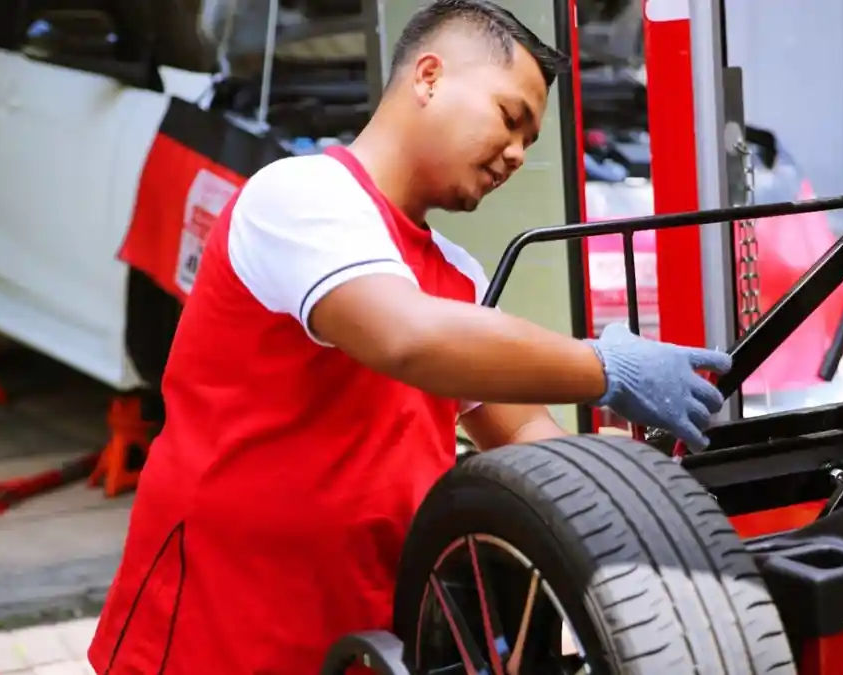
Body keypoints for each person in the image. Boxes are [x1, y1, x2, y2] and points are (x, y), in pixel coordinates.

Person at [88, 1, 732, 673]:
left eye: (530, 140)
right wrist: (605, 367)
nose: (517, 153)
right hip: (217, 620)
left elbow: (519, 431)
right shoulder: (302, 195)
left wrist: (623, 486)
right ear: (428, 77)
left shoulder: (457, 273)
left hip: (371, 628)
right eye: (510, 117)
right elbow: (406, 337)